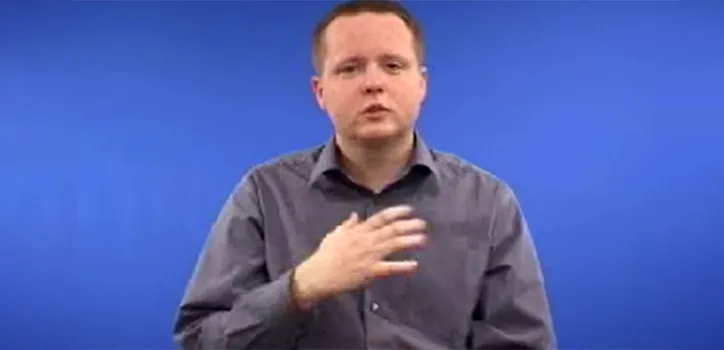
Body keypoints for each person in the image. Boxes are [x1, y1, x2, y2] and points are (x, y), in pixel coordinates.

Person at [172, 0, 557, 349]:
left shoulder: (488, 203)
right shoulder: (263, 194)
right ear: (320, 92)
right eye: (350, 68)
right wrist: (300, 287)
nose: (373, 83)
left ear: (420, 84)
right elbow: (197, 341)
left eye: (392, 65)